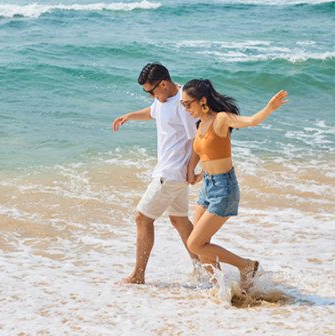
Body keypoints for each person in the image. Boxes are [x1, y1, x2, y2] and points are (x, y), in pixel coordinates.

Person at [181, 79, 288, 287]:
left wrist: (269, 108)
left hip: (224, 189)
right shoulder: (200, 123)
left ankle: (247, 266)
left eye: (188, 104)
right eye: (182, 104)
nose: (185, 108)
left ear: (202, 100)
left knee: (194, 243)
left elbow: (250, 121)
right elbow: (198, 149)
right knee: (203, 246)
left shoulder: (220, 119)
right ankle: (222, 290)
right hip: (207, 187)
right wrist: (191, 171)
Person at [113, 63, 200, 284]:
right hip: (170, 171)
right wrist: (129, 116)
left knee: (142, 218)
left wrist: (191, 170)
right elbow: (153, 112)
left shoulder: (184, 103)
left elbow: (197, 139)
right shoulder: (161, 99)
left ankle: (138, 275)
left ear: (163, 83)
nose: (151, 96)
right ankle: (204, 269)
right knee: (179, 220)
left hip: (172, 172)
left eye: (151, 91)